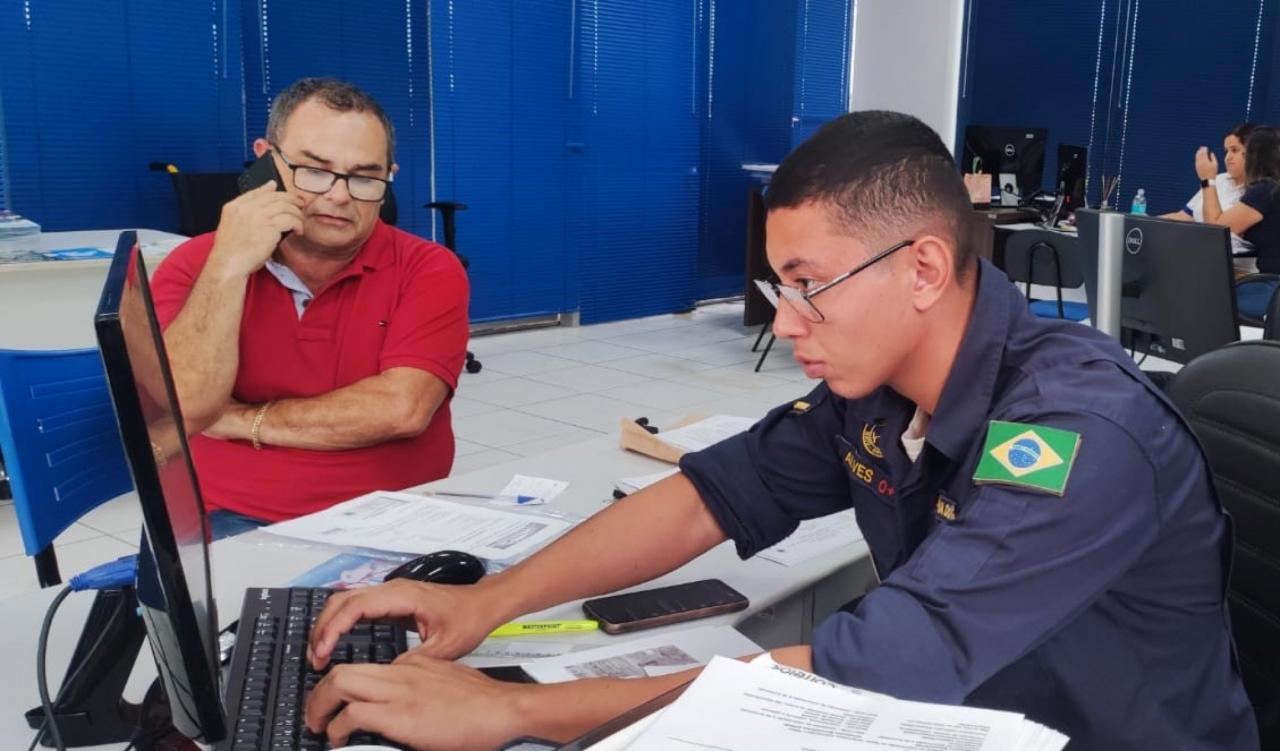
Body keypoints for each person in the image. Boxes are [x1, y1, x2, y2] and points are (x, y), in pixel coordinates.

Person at [301, 111, 1256, 751]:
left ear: (924, 269)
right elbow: (712, 495)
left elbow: (865, 671)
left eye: (809, 285)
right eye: (777, 284)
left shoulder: (1074, 431)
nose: (786, 320)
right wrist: (487, 602)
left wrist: (515, 709)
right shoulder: (877, 386)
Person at [151, 78, 470, 539]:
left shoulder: (428, 268)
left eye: (365, 177)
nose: (339, 196)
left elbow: (401, 409)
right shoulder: (196, 264)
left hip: (390, 517)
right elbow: (182, 406)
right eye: (314, 171)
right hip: (228, 515)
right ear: (267, 160)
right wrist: (227, 268)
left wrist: (239, 419)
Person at [1198, 125, 1280, 320]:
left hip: (1273, 288)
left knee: (1203, 299)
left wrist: (1207, 180)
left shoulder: (1266, 191)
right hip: (1268, 283)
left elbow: (1216, 228)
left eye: (1242, 152)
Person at [1161, 122, 1256, 261]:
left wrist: (1207, 180)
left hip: (1230, 262)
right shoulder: (1219, 179)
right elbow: (1184, 216)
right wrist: (1145, 222)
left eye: (1234, 150)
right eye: (1226, 151)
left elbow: (1216, 231)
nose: (1228, 157)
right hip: (1194, 251)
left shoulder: (1257, 192)